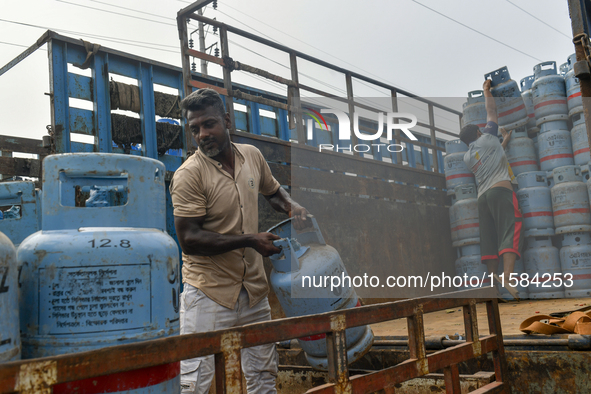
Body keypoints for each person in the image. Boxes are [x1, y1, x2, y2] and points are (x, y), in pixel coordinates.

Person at [170, 88, 310, 394]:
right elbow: (190, 239)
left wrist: (291, 206)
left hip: (255, 293)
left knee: (262, 380)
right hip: (209, 294)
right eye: (195, 129)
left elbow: (272, 191)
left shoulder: (252, 156)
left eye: (209, 124)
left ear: (227, 121)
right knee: (193, 386)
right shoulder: (189, 175)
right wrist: (250, 240)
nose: (202, 134)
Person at [459, 79, 522, 299]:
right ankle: (507, 275)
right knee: (511, 228)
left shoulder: (468, 157)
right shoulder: (487, 137)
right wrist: (487, 91)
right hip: (501, 191)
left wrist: (504, 141)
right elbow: (492, 110)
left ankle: (493, 283)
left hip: (482, 198)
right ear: (479, 132)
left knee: (489, 237)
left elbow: (493, 155)